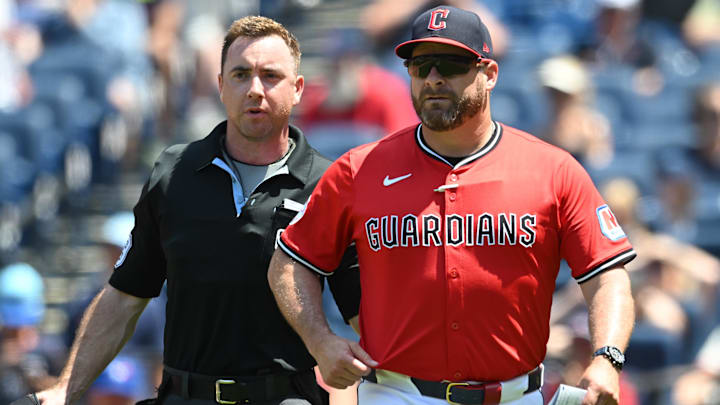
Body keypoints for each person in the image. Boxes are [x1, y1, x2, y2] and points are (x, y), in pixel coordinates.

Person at [267, 5, 636, 405]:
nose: (434, 78)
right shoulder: (360, 169)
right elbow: (290, 263)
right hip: (396, 393)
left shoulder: (553, 169)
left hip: (515, 396)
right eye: (420, 65)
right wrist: (319, 340)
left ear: (489, 74)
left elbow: (607, 276)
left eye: (451, 64)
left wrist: (607, 357)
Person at [24, 15, 360, 405]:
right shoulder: (173, 173)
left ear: (298, 88)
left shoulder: (329, 183)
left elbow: (363, 318)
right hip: (185, 396)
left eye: (270, 75)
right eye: (239, 74)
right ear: (219, 85)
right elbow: (124, 297)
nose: (254, 89)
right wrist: (66, 390)